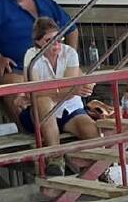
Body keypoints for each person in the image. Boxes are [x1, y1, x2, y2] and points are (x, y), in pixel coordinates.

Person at [21, 17, 99, 176]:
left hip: (70, 110)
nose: (56, 44)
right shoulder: (31, 55)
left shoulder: (69, 52)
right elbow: (35, 92)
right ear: (38, 42)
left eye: (58, 38)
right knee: (43, 102)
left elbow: (67, 88)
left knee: (90, 130)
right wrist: (69, 92)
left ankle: (96, 171)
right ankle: (56, 158)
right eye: (49, 40)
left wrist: (42, 94)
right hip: (42, 113)